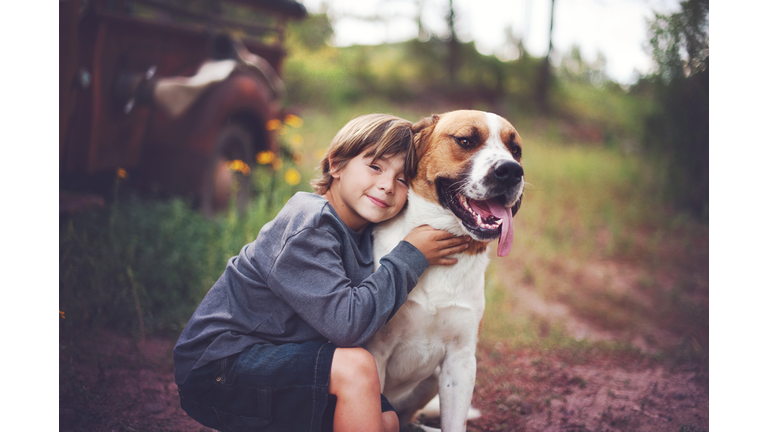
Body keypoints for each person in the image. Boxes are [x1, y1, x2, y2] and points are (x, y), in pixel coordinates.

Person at [174, 113, 470, 432]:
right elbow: (346, 326)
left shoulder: (361, 232)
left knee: (386, 421)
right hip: (220, 367)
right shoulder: (308, 225)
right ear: (336, 165)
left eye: (402, 179)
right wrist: (412, 255)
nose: (386, 185)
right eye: (375, 166)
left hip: (276, 363)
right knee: (355, 368)